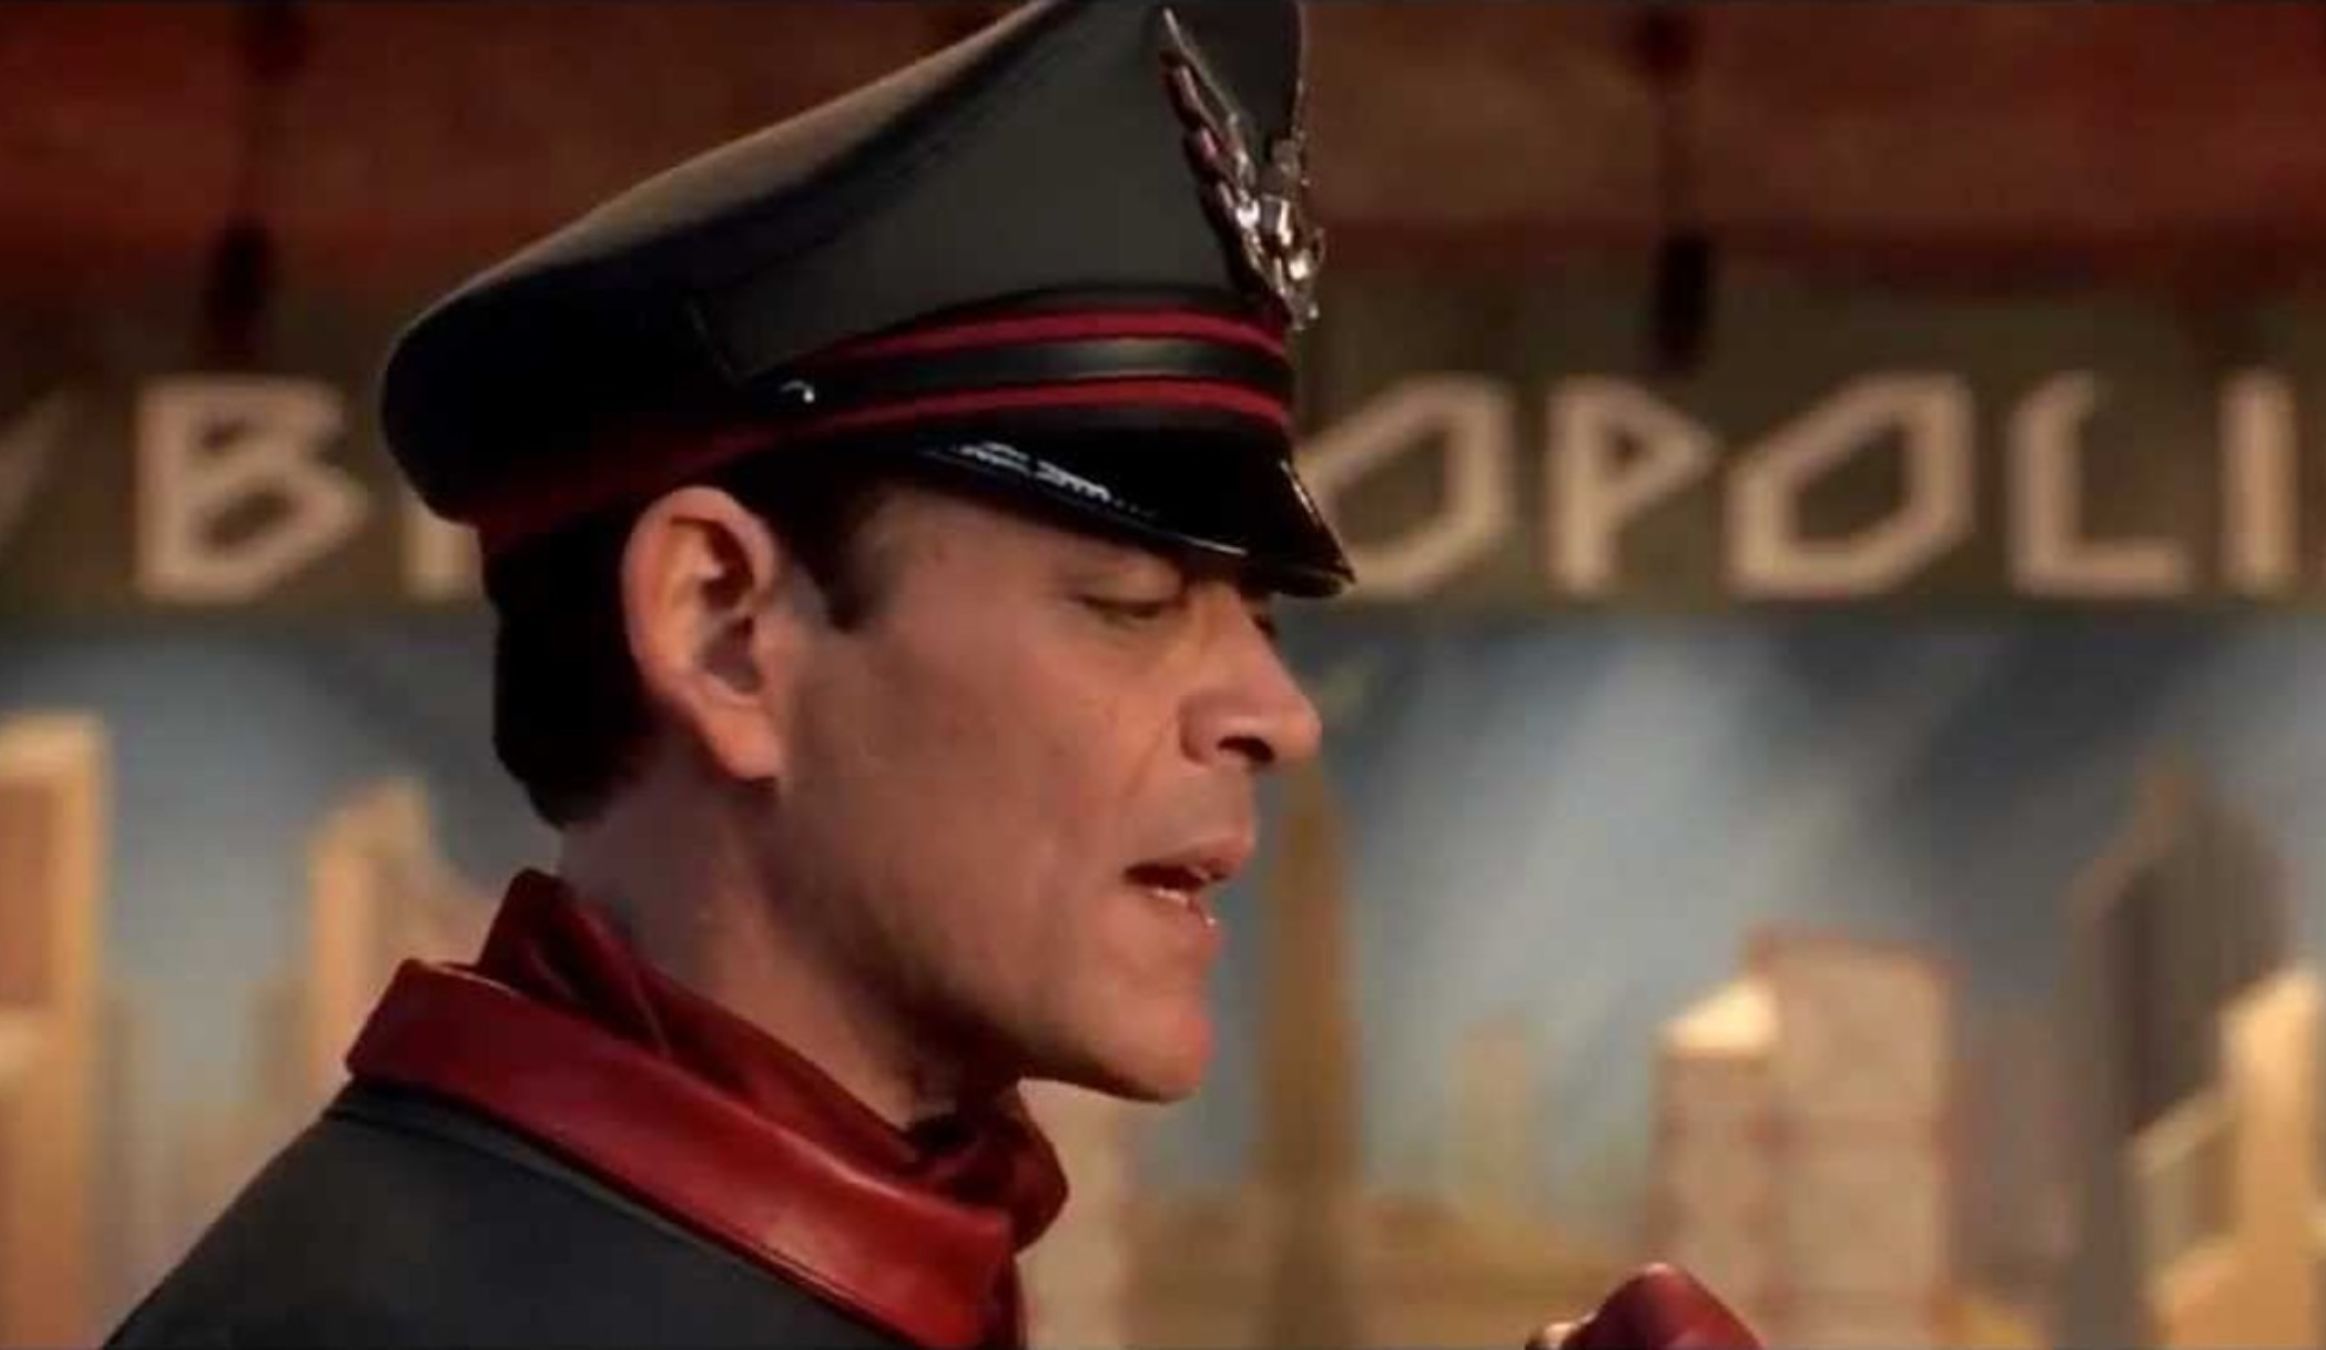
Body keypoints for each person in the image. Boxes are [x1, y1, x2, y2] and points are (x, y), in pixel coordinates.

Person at [108, 1, 1761, 1346]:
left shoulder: (766, 1254)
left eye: (1256, 613)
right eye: (1130, 597)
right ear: (724, 625)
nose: (1278, 709)